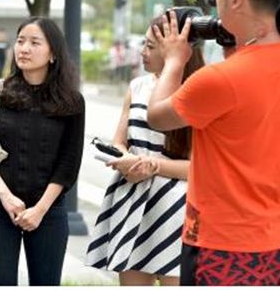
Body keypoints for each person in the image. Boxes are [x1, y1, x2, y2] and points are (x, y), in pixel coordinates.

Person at [146, 0, 280, 286]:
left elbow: (157, 117)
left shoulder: (220, 79)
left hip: (223, 245)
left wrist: (173, 62)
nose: (216, 1)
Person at [86, 15, 205, 286]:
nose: (142, 52)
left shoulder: (198, 90)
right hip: (131, 195)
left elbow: (201, 166)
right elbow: (119, 141)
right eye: (144, 43)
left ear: (177, 49)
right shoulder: (138, 86)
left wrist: (152, 166)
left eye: (151, 46)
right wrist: (124, 159)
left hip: (177, 207)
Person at [0, 17, 85, 285]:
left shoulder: (72, 102)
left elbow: (69, 163)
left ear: (53, 53)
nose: (24, 49)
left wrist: (40, 210)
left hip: (48, 211)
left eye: (34, 43)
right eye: (20, 41)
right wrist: (6, 197)